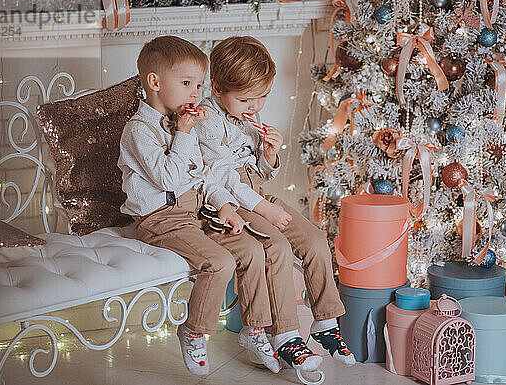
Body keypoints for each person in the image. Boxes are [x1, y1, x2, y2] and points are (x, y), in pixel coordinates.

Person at [118, 35, 285, 376]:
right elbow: (168, 177)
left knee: (252, 249)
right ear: (155, 82)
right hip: (160, 220)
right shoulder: (139, 131)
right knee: (219, 262)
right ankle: (194, 329)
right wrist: (183, 132)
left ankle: (255, 330)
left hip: (196, 213)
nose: (196, 93)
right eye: (187, 84)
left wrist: (225, 205)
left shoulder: (186, 124)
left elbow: (204, 175)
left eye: (198, 84)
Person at [196, 36, 355, 368]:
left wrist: (269, 157)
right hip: (231, 203)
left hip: (256, 194)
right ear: (216, 88)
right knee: (278, 247)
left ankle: (325, 321)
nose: (255, 106)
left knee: (314, 239)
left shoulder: (245, 118)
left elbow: (259, 174)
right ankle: (284, 335)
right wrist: (262, 208)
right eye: (246, 99)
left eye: (263, 97)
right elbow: (223, 179)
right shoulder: (207, 121)